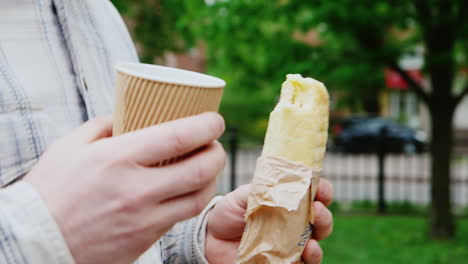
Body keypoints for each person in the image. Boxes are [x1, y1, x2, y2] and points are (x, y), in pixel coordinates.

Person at [0, 0, 333, 263]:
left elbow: (113, 230)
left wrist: (196, 241)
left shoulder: (102, 16)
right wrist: (43, 233)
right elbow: (63, 226)